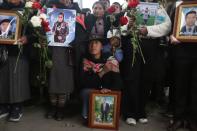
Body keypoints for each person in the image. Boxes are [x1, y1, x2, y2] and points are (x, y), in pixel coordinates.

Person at [121, 0, 171, 126]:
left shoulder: (159, 8)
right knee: (132, 78)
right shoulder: (133, 6)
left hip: (150, 45)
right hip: (133, 44)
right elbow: (121, 27)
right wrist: (128, 25)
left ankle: (140, 112)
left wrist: (148, 30)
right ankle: (130, 113)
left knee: (146, 79)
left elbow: (167, 26)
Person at [0, 0, 34, 122]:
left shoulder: (28, 9)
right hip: (2, 49)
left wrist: (28, 38)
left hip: (19, 50)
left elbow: (35, 31)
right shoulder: (1, 7)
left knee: (17, 79)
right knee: (2, 78)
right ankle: (4, 105)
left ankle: (17, 106)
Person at [46, 0, 79, 121]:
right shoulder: (50, 10)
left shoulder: (76, 15)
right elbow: (50, 30)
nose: (59, 17)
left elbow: (71, 33)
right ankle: (52, 107)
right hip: (53, 51)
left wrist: (66, 38)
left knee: (64, 81)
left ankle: (61, 109)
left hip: (67, 53)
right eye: (58, 16)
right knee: (52, 80)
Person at [167, 0, 197, 131]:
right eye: (188, 17)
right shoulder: (178, 6)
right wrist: (171, 37)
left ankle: (193, 120)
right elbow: (170, 27)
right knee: (180, 86)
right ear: (186, 19)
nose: (191, 19)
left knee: (195, 87)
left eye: (193, 17)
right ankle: (178, 118)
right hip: (181, 51)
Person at [80, 36, 122, 122]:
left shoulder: (110, 59)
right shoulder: (85, 61)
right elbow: (84, 82)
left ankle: (109, 119)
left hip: (108, 89)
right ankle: (88, 117)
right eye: (90, 44)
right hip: (92, 88)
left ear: (102, 47)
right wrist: (102, 72)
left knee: (114, 94)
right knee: (85, 92)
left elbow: (118, 81)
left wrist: (108, 89)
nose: (93, 46)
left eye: (96, 43)